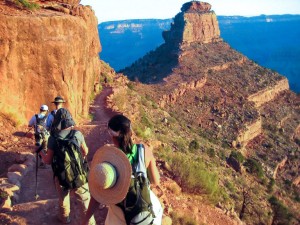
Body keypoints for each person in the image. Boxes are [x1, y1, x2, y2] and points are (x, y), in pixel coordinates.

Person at [82, 114, 163, 225]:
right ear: (130, 132)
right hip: (145, 212)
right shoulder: (144, 150)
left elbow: (97, 196)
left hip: (118, 216)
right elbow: (155, 181)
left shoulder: (108, 159)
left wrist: (86, 220)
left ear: (112, 136)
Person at [38, 108, 95, 225]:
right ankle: (90, 223)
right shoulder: (77, 134)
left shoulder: (53, 139)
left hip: (61, 175)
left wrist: (40, 151)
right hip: (79, 174)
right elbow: (86, 151)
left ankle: (65, 219)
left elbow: (48, 160)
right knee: (85, 200)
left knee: (63, 199)